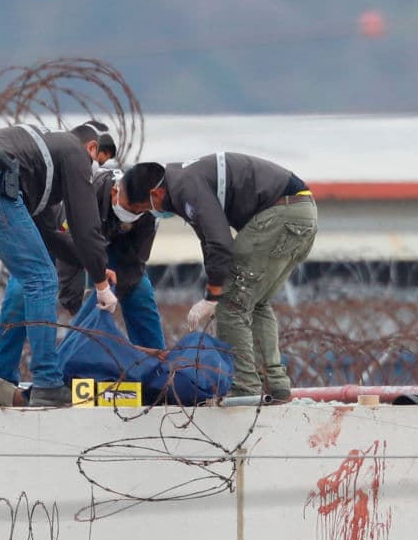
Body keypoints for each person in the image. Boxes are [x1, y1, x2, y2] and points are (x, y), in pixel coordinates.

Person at [0, 122, 118, 408]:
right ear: (91, 148)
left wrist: (95, 268)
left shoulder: (36, 164)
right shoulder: (74, 152)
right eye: (95, 161)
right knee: (41, 280)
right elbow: (84, 223)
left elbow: (50, 236)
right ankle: (47, 383)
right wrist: (101, 285)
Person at [113, 154, 317, 401]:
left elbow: (220, 244)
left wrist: (212, 296)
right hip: (300, 212)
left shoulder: (186, 187)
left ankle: (244, 386)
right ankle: (276, 384)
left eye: (143, 209)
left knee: (231, 303)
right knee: (254, 302)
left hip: (281, 214)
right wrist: (212, 291)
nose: (149, 214)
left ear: (155, 195)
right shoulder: (183, 183)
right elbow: (209, 242)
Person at [0, 167, 165, 404]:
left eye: (141, 211)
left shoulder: (147, 215)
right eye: (131, 208)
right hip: (55, 241)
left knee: (140, 291)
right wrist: (84, 314)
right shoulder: (85, 195)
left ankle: (157, 377)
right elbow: (67, 262)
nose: (135, 214)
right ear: (114, 192)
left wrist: (109, 294)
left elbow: (134, 266)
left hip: (105, 249)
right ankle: (6, 379)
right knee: (21, 289)